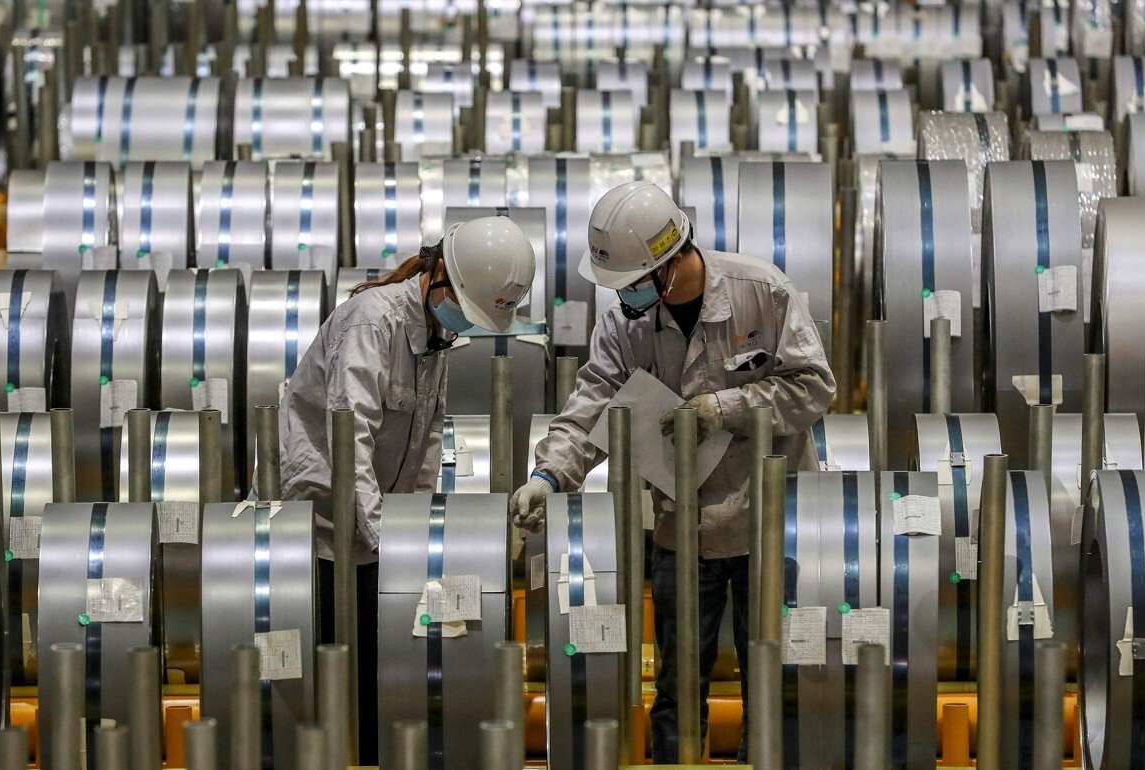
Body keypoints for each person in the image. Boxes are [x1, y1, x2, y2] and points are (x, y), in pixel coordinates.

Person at [510, 180, 835, 762]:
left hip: (770, 523)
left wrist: (726, 407)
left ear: (670, 261)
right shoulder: (624, 323)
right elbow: (592, 408)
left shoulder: (762, 292)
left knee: (774, 682)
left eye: (632, 282)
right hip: (681, 526)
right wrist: (547, 476)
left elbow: (813, 387)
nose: (624, 295)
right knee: (678, 689)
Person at [279, 215, 536, 763]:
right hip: (327, 532)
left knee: (387, 677)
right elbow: (350, 446)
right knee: (343, 679)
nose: (462, 326)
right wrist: (391, 545)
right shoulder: (372, 324)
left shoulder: (437, 335)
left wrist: (417, 535)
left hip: (379, 532)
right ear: (438, 275)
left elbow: (427, 440)